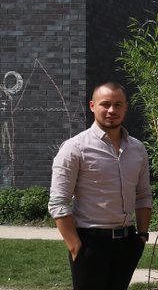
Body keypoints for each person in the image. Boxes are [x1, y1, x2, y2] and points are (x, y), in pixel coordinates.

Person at [48, 81, 152, 290]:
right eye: (105, 104)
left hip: (127, 243)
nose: (112, 110)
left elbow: (143, 196)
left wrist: (141, 236)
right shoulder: (75, 148)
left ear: (126, 107)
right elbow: (58, 202)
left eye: (118, 104)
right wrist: (76, 247)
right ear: (92, 106)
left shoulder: (138, 149)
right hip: (90, 245)